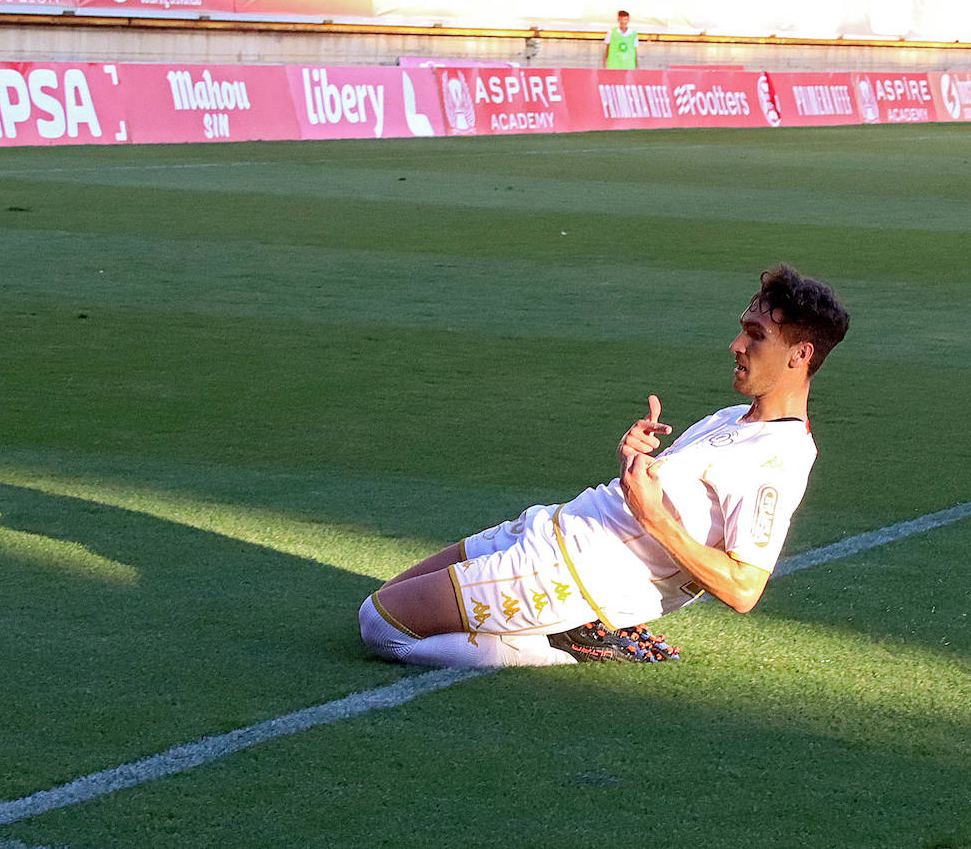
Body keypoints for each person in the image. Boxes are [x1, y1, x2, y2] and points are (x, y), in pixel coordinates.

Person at [359, 265, 850, 668]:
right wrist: (635, 462)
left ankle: (552, 644)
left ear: (799, 355)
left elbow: (744, 588)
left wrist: (652, 515)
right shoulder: (733, 418)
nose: (736, 345)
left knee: (381, 625)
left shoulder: (778, 458)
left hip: (569, 571)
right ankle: (559, 627)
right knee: (393, 593)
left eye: (755, 335)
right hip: (557, 526)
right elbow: (669, 501)